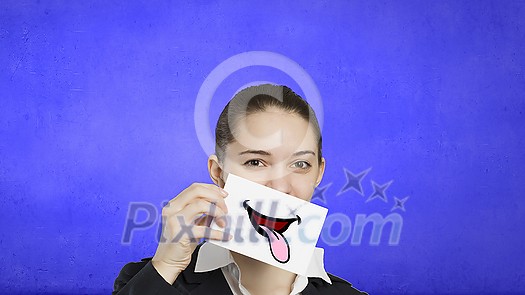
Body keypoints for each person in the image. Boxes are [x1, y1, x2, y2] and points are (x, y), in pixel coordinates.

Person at [113, 84, 367, 295]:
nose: (279, 186)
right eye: (255, 162)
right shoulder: (155, 281)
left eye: (300, 164)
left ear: (318, 174)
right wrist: (167, 265)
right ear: (218, 172)